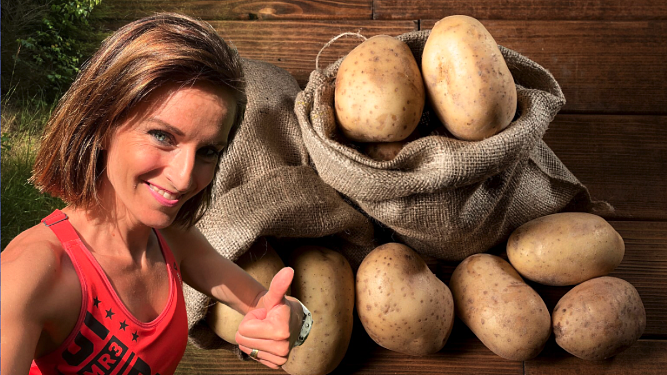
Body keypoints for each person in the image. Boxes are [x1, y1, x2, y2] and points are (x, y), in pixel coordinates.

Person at [1, 13, 311, 375]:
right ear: (102, 124)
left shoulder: (171, 239)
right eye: (163, 136)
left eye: (208, 151)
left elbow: (265, 303)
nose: (183, 179)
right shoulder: (30, 274)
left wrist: (290, 321)